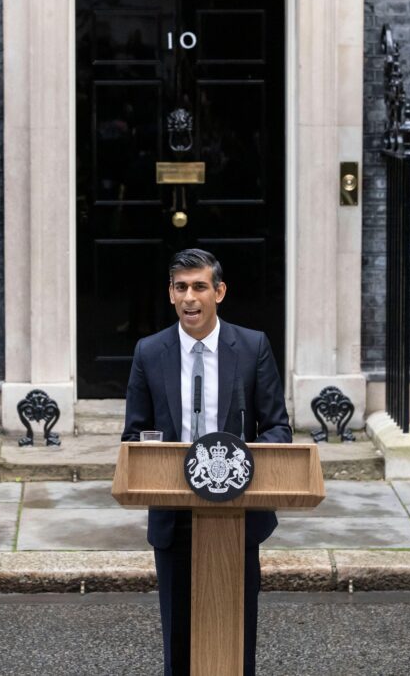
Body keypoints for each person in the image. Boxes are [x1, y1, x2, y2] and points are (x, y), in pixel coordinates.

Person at [121, 248, 291, 676]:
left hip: (236, 512)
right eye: (181, 288)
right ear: (170, 294)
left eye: (199, 286)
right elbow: (133, 434)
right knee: (178, 642)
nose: (189, 297)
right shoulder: (149, 351)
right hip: (174, 511)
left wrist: (241, 464)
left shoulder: (252, 347)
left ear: (219, 291)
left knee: (236, 638)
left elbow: (277, 428)